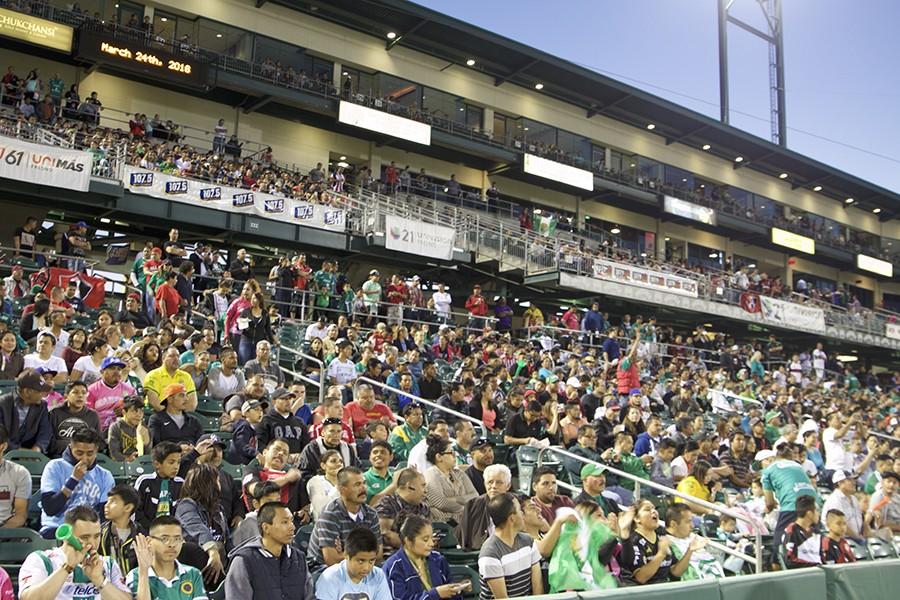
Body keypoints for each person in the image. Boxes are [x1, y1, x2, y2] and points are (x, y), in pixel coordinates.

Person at [19, 506, 131, 600]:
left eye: (97, 536)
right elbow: (29, 598)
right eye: (85, 537)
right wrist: (67, 567)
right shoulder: (41, 559)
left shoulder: (108, 564)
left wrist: (99, 580)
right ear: (68, 537)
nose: (92, 543)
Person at [227, 500, 315, 599]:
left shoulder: (299, 558)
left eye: (292, 521)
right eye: (285, 522)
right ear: (266, 528)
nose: (292, 527)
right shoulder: (243, 561)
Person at [40, 428, 114, 538]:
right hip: (57, 529)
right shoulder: (54, 467)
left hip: (90, 533)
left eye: (90, 454)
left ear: (96, 450)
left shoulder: (104, 475)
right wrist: (73, 480)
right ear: (70, 448)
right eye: (79, 453)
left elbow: (103, 517)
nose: (84, 459)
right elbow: (50, 509)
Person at [308, 466, 382, 569]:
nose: (363, 488)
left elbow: (378, 554)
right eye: (357, 484)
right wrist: (366, 553)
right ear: (342, 489)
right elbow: (332, 561)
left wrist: (345, 553)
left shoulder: (371, 514)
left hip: (361, 568)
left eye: (364, 483)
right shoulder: (330, 514)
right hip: (322, 569)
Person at [383, 514, 466, 600]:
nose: (431, 544)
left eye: (432, 538)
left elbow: (452, 593)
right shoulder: (394, 567)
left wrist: (459, 590)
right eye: (425, 540)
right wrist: (436, 594)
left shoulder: (438, 559)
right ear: (408, 541)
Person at [477, 492, 543, 599]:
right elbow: (502, 598)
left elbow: (538, 587)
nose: (522, 514)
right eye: (519, 510)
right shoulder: (490, 553)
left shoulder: (528, 541)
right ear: (512, 518)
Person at [762, 442, 818, 563]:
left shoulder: (768, 470)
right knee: (811, 544)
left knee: (779, 544)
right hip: (813, 506)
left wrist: (767, 510)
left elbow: (770, 502)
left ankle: (776, 568)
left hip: (791, 505)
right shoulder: (798, 466)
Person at [126, 516, 207, 600]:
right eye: (164, 539)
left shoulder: (193, 574)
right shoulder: (135, 576)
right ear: (149, 541)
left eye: (177, 539)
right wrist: (143, 571)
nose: (172, 544)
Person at [175, 464, 227, 586]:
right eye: (217, 481)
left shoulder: (218, 509)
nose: (220, 485)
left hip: (221, 560)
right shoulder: (186, 505)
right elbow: (198, 529)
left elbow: (227, 539)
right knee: (191, 549)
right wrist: (212, 551)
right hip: (198, 561)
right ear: (207, 484)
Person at [315, 527, 390, 600]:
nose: (366, 568)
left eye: (371, 561)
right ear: (346, 555)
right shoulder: (330, 577)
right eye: (361, 561)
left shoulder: (378, 576)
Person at [423, 435, 478, 524]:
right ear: (439, 457)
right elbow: (442, 503)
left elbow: (475, 496)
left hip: (465, 520)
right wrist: (465, 508)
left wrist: (454, 499)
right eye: (451, 453)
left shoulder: (458, 473)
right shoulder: (431, 475)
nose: (455, 456)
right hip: (445, 524)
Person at [458, 464, 512, 550]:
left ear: (508, 486)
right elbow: (464, 538)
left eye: (499, 482)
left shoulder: (516, 504)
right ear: (484, 484)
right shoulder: (472, 505)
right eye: (490, 482)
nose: (493, 486)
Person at [375, 468, 430, 550]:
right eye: (423, 485)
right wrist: (414, 548)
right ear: (410, 487)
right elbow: (386, 535)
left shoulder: (423, 507)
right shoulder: (387, 503)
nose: (426, 491)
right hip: (391, 556)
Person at [134, 441, 184, 529]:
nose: (176, 467)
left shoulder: (181, 483)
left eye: (178, 462)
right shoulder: (144, 481)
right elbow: (136, 512)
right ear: (157, 464)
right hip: (147, 532)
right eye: (171, 462)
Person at [664, 503, 719, 580]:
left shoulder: (692, 536)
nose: (692, 526)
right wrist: (690, 551)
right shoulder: (664, 542)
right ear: (673, 524)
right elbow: (676, 573)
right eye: (688, 522)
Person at [98, 484, 142, 578]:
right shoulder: (100, 533)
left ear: (128, 508)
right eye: (107, 501)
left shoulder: (140, 535)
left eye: (113, 501)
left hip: (133, 585)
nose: (106, 505)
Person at [49, 381, 101, 458]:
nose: (80, 395)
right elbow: (49, 441)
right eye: (75, 392)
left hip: (84, 458)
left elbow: (99, 442)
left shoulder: (93, 415)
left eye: (83, 393)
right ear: (66, 396)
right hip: (58, 456)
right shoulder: (54, 413)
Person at [86, 356, 135, 434]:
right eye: (112, 368)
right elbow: (87, 415)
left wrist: (125, 411)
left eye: (119, 369)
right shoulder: (92, 390)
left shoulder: (129, 390)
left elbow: (135, 413)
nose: (116, 372)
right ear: (102, 371)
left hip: (122, 432)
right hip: (97, 431)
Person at [144, 347, 198, 412]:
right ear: (163, 359)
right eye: (171, 356)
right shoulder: (153, 375)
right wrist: (171, 415)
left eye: (178, 356)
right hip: (157, 414)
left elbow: (192, 403)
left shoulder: (186, 376)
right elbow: (154, 402)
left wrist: (181, 416)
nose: (176, 359)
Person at [230, 480, 281, 548]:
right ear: (256, 504)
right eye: (268, 502)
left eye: (277, 501)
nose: (274, 506)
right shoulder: (247, 522)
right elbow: (236, 549)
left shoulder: (284, 519)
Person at [821, 470, 865, 539]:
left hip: (856, 538)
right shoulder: (835, 500)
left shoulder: (853, 498)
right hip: (841, 539)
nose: (854, 483)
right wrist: (858, 538)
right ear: (840, 483)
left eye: (853, 480)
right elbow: (840, 524)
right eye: (850, 480)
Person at [0, 424, 29, 528]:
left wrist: (3, 533)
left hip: (6, 531)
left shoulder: (19, 473)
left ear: (3, 446)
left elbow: (20, 516)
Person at [783, 495, 822, 569]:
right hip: (803, 575)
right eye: (817, 511)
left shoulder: (817, 533)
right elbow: (790, 560)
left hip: (821, 573)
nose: (818, 514)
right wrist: (815, 566)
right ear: (809, 513)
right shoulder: (792, 530)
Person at [107, 396, 151, 461]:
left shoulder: (144, 427)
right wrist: (128, 459)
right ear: (124, 412)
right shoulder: (115, 427)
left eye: (141, 411)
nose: (138, 415)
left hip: (141, 464)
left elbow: (148, 456)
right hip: (121, 466)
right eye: (134, 411)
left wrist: (147, 443)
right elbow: (114, 454)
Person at [308, 449, 345, 520]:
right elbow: (321, 509)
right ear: (323, 465)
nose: (339, 464)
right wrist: (338, 485)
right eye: (333, 461)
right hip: (323, 524)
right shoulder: (315, 481)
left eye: (341, 461)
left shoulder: (346, 482)